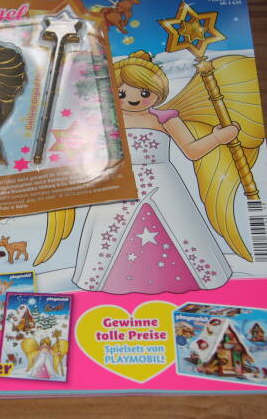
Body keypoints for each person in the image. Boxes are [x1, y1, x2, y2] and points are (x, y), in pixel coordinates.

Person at [72, 51, 238, 294]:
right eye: (122, 93)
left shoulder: (165, 119)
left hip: (164, 181)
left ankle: (193, 274)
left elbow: (192, 151)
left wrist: (217, 138)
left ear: (158, 91)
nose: (134, 100)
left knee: (179, 223)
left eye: (144, 93)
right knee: (109, 229)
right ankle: (106, 277)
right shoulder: (108, 121)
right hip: (120, 182)